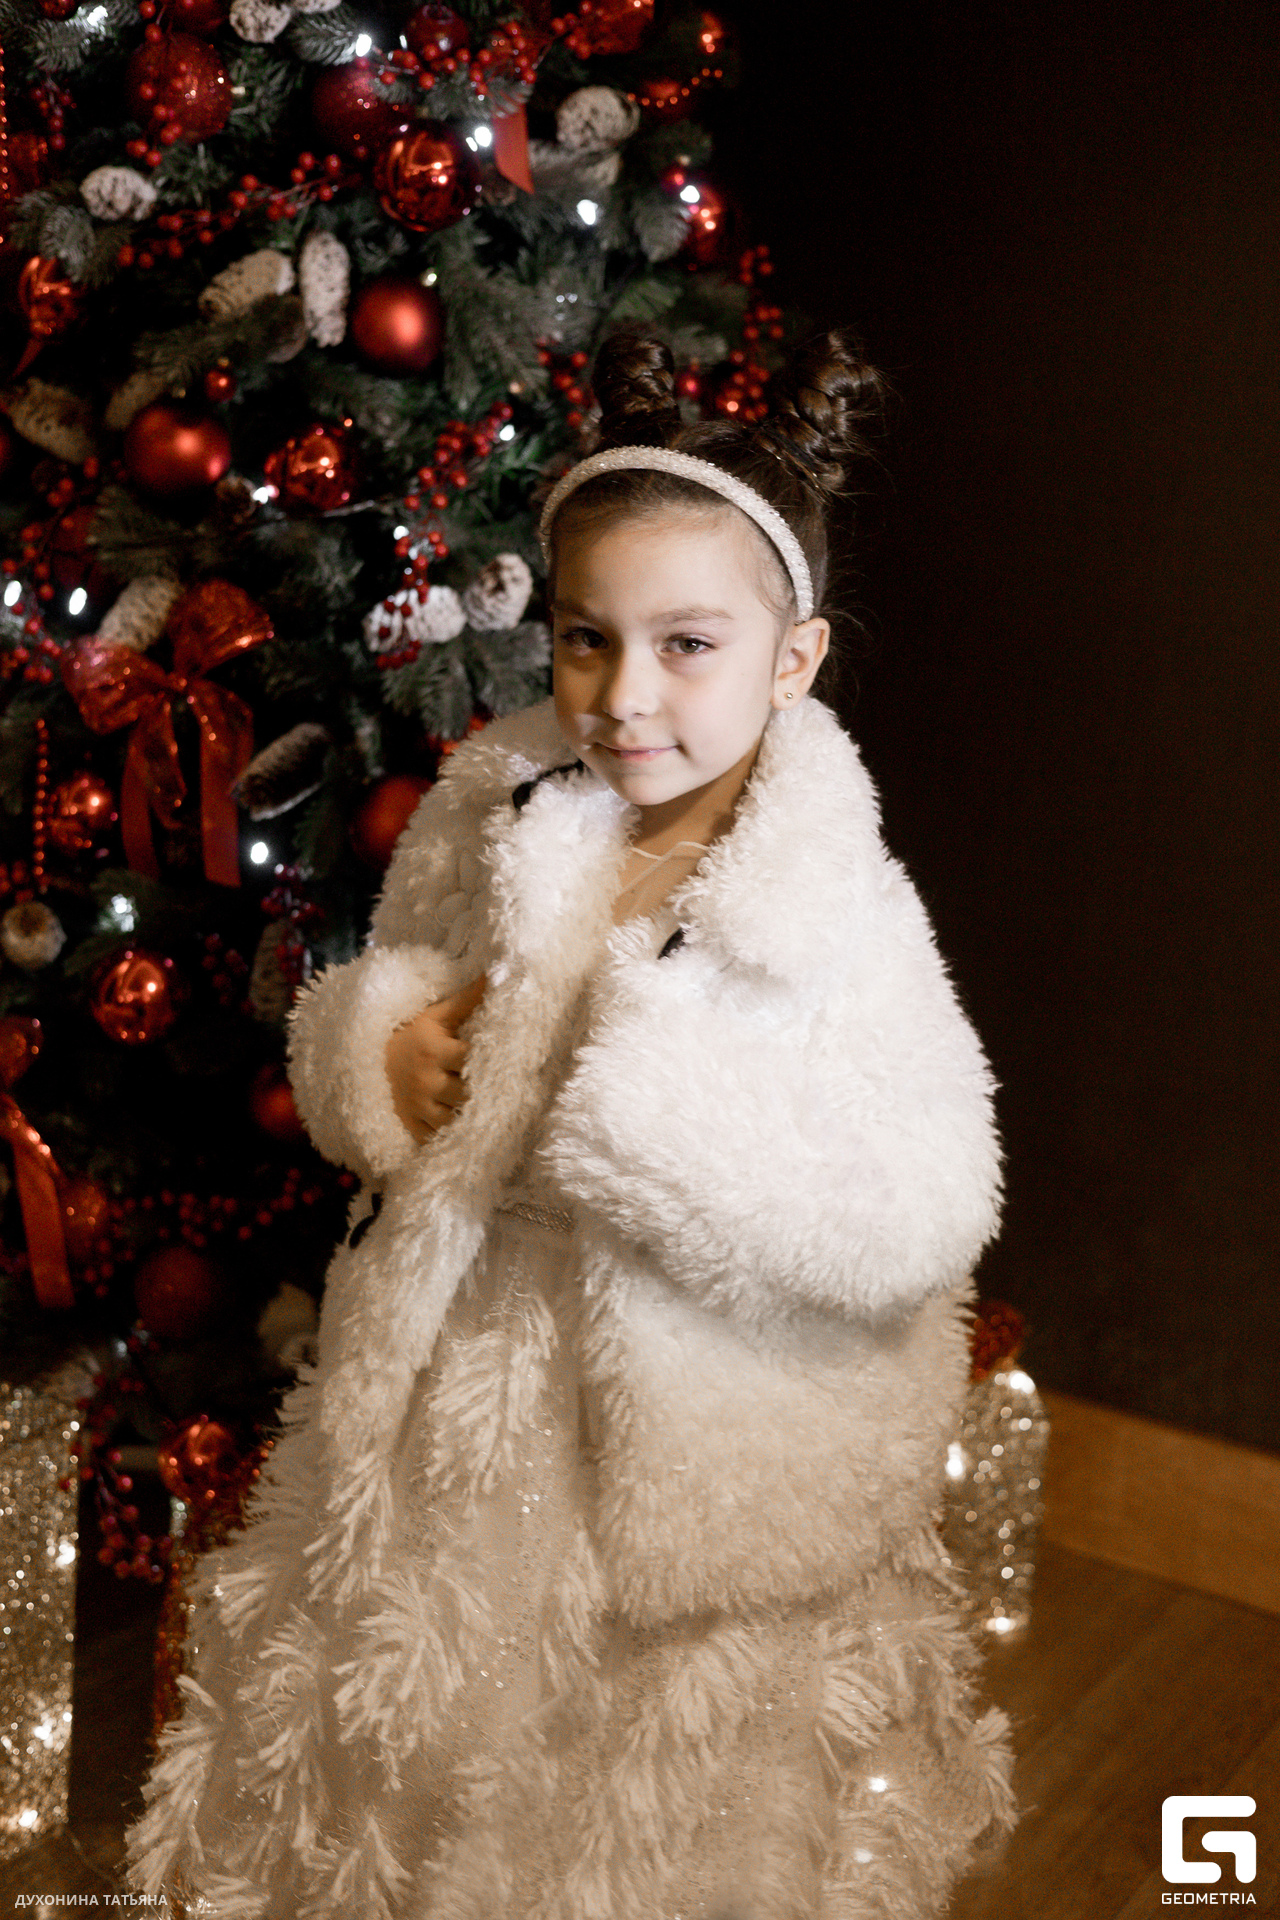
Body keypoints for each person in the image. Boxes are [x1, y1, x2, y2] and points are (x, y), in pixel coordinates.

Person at [128, 329, 1016, 1919]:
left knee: (625, 1801)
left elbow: (930, 1195)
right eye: (588, 641)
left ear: (793, 660)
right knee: (425, 1745)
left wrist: (652, 1126)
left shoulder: (832, 905)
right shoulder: (509, 800)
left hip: (692, 1426)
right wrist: (381, 1053)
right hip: (469, 1372)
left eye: (689, 646)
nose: (626, 696)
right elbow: (398, 974)